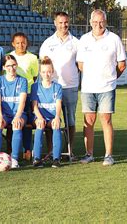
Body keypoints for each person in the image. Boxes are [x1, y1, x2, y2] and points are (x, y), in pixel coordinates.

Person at [76, 9, 126, 166]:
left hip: (107, 88)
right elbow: (81, 64)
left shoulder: (114, 39)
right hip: (88, 88)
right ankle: (88, 154)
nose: (98, 24)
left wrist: (110, 77)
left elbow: (122, 64)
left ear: (105, 22)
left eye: (101, 21)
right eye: (95, 22)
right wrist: (93, 76)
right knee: (88, 121)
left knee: (106, 119)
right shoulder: (84, 39)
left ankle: (108, 155)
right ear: (90, 22)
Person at [39, 12, 79, 159]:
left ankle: (70, 151)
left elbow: (80, 65)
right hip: (52, 87)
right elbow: (43, 65)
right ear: (55, 23)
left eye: (66, 22)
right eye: (60, 22)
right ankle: (51, 151)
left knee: (70, 120)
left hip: (70, 87)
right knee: (50, 120)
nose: (63, 25)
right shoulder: (47, 43)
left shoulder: (76, 42)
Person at [0, 55, 28, 169]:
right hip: (3, 114)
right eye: (8, 66)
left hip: (19, 113)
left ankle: (15, 159)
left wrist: (17, 116)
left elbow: (22, 102)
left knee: (17, 124)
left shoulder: (22, 80)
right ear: (3, 67)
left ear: (16, 65)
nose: (11, 68)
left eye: (13, 65)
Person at [8, 32, 38, 161]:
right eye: (18, 43)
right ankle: (11, 149)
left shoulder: (32, 58)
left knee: (26, 123)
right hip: (12, 95)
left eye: (23, 42)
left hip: (28, 94)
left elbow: (35, 76)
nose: (21, 45)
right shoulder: (8, 57)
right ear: (13, 44)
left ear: (27, 43)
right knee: (11, 122)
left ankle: (27, 149)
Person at [31, 57, 63, 168]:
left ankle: (56, 158)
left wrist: (57, 117)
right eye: (44, 72)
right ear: (40, 73)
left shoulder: (57, 87)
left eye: (49, 71)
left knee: (55, 125)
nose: (47, 74)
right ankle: (37, 158)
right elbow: (34, 106)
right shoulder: (35, 87)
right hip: (40, 117)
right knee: (40, 124)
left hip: (52, 117)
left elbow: (58, 104)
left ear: (53, 72)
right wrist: (39, 117)